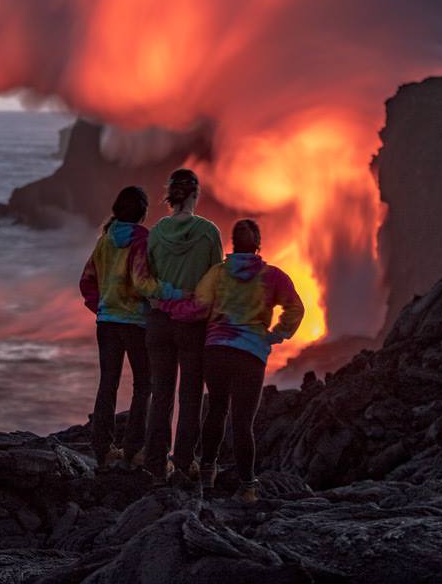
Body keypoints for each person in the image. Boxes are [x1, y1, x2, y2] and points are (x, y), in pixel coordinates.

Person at [192, 218, 304, 503]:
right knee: (243, 421)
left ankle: (207, 472)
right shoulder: (273, 276)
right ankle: (247, 487)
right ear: (258, 245)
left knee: (216, 409)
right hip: (250, 354)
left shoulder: (217, 274)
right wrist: (275, 336)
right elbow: (295, 309)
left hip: (216, 351)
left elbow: (199, 305)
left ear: (232, 244)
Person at [143, 168, 223, 485]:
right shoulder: (208, 233)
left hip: (159, 323)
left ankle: (154, 464)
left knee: (160, 394)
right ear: (195, 194)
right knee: (189, 395)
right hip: (193, 324)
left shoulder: (156, 232)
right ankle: (184, 462)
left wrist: (162, 297)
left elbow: (146, 280)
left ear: (170, 195)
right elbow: (217, 279)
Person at [79, 185, 157, 470]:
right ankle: (134, 449)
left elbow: (86, 279)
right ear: (143, 212)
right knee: (144, 384)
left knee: (107, 384)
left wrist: (100, 306)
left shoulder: (105, 240)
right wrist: (163, 297)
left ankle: (101, 449)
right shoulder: (143, 240)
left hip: (107, 322)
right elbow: (141, 281)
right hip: (136, 323)